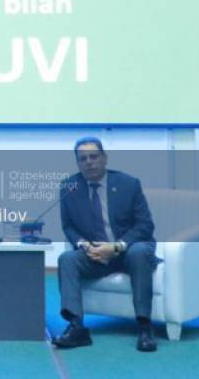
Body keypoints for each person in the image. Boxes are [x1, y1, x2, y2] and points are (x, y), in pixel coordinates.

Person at [54, 137, 160, 352]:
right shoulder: (69, 187)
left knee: (139, 251)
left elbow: (145, 225)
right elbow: (69, 227)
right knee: (67, 259)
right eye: (83, 159)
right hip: (95, 255)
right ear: (77, 163)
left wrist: (116, 247)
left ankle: (144, 327)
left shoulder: (129, 184)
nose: (89, 162)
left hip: (127, 251)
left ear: (104, 158)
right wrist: (85, 246)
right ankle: (76, 327)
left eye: (93, 157)